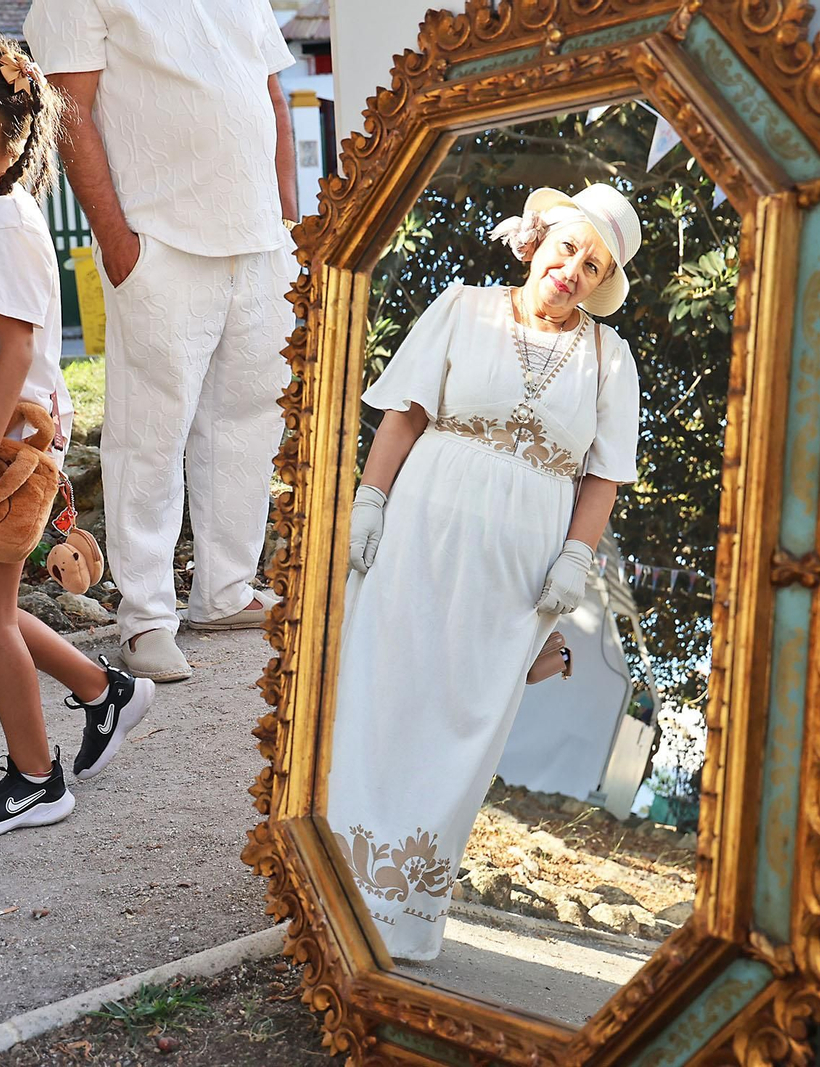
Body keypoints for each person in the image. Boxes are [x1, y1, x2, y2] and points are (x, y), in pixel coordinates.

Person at [328, 184, 644, 960]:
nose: (573, 270)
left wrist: (575, 556)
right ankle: (329, 886)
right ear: (539, 242)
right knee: (381, 691)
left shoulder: (611, 359)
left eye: (594, 266)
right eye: (568, 248)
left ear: (602, 284)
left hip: (518, 574)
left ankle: (399, 917)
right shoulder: (463, 307)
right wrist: (370, 500)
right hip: (419, 531)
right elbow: (405, 413)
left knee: (463, 724)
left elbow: (603, 477)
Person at [0, 38, 156, 841]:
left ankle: (36, 779)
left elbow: (18, 352)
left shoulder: (9, 223)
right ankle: (103, 689)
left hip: (9, 449)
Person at [23, 0, 300, 683]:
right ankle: (146, 616)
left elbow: (272, 95)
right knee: (149, 432)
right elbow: (70, 110)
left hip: (263, 243)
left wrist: (290, 226)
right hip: (158, 242)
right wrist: (118, 242)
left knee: (249, 422)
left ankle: (225, 589)